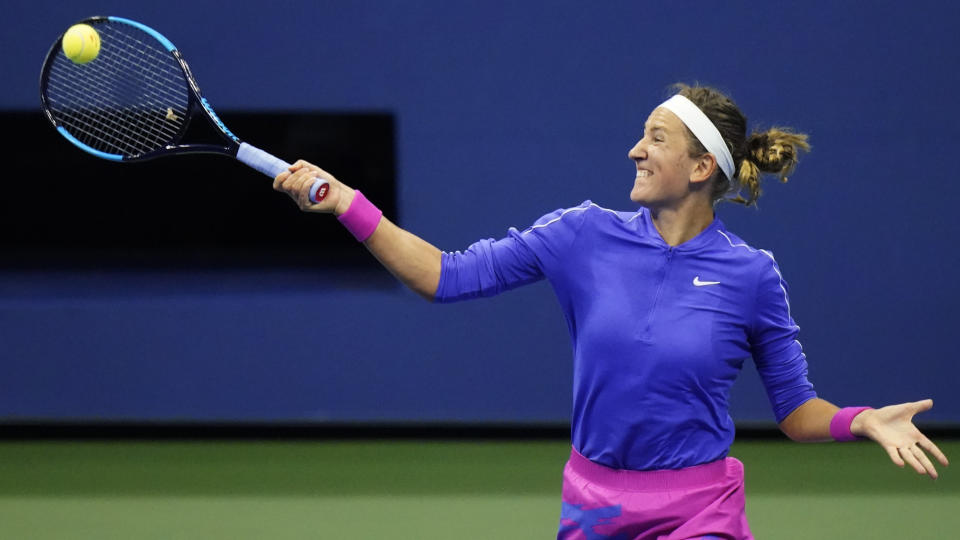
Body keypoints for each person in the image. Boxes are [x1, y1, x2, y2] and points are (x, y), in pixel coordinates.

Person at [272, 83, 949, 539]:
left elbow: (796, 412)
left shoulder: (751, 275)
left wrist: (860, 420)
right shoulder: (579, 235)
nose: (636, 149)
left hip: (700, 509)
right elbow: (444, 277)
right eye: (641, 135)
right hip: (594, 504)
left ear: (701, 168)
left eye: (655, 138)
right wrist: (347, 206)